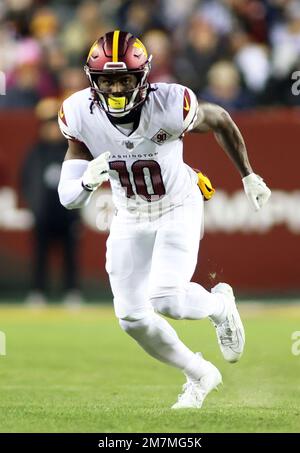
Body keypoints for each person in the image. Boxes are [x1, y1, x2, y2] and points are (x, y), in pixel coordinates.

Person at [57, 31, 271, 409]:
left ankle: (221, 306)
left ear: (143, 77)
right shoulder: (78, 113)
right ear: (93, 80)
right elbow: (68, 197)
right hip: (131, 213)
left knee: (166, 298)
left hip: (178, 204)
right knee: (131, 317)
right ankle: (199, 373)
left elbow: (220, 119)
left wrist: (248, 174)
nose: (116, 88)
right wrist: (88, 181)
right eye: (107, 79)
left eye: (124, 78)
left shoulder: (171, 103)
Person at [21, 97, 82, 306]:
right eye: (47, 127)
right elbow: (26, 181)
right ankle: (37, 292)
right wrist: (34, 206)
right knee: (40, 257)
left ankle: (72, 292)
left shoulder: (72, 151)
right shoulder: (35, 152)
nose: (52, 131)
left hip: (67, 214)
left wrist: (77, 213)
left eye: (55, 126)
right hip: (43, 214)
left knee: (70, 257)